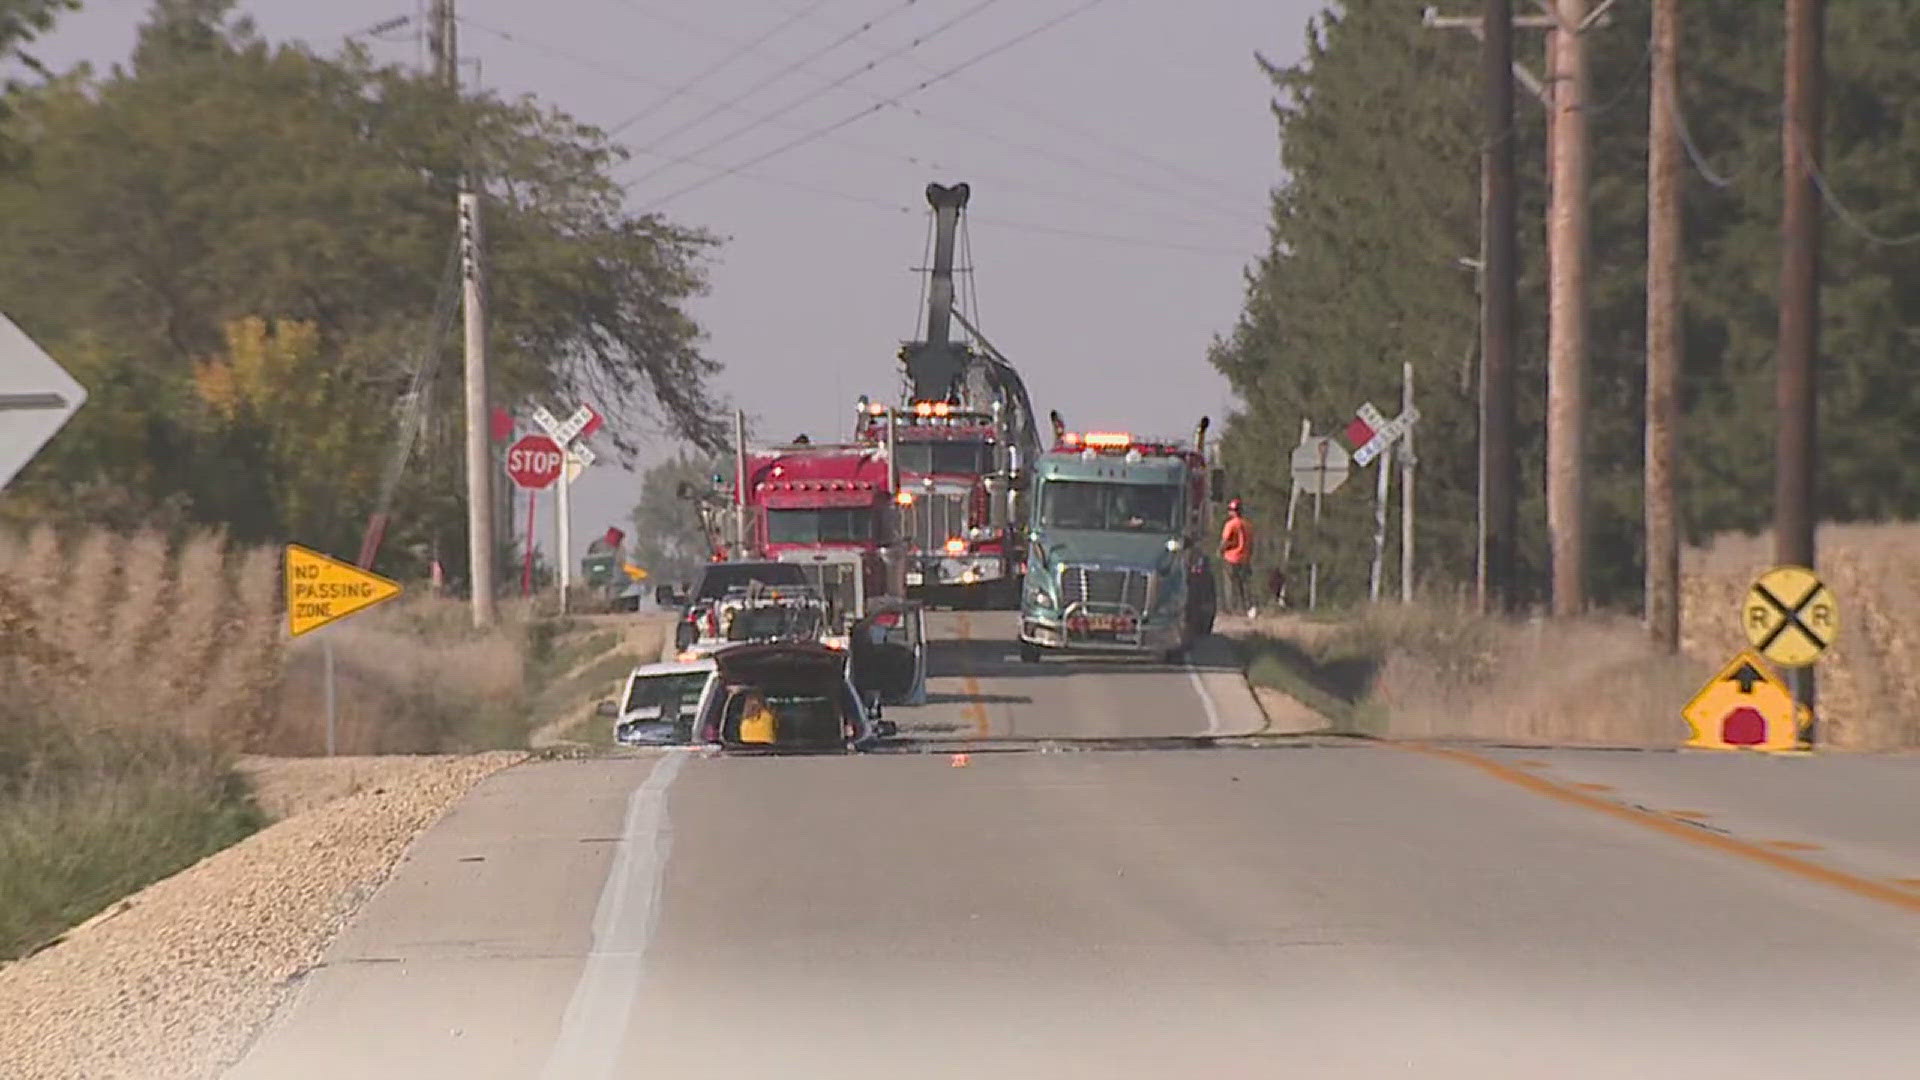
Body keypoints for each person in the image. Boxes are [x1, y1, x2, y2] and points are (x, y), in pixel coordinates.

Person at [1220, 498, 1255, 617]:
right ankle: (1248, 608)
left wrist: (1220, 551)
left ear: (1233, 511)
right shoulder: (1248, 525)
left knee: (1231, 585)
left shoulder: (1230, 525)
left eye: (1230, 509)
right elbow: (1251, 544)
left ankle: (1232, 609)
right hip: (1244, 559)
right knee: (1244, 585)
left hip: (1231, 558)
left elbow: (1225, 541)